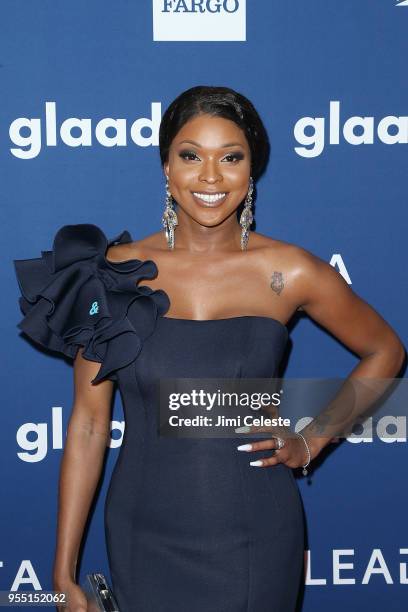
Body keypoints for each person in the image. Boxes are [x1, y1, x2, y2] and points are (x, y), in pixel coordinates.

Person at [14, 85, 405, 612]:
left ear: (252, 170)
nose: (211, 177)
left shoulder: (289, 271)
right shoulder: (111, 274)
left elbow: (385, 350)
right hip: (140, 532)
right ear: (166, 168)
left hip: (256, 535)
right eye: (191, 155)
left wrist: (312, 440)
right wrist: (62, 572)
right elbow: (87, 424)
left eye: (231, 157)